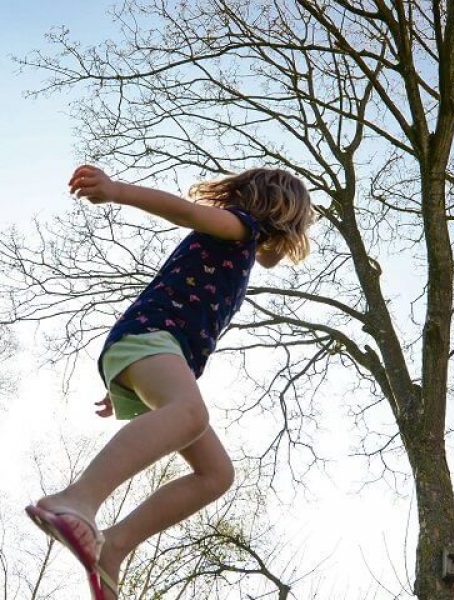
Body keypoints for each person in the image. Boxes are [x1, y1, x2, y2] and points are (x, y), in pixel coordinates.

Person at [24, 164, 316, 599]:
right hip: (151, 338)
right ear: (279, 213)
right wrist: (116, 190)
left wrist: (127, 379)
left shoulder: (243, 246)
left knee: (216, 474)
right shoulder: (238, 227)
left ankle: (113, 548)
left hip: (153, 350)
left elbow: (272, 259)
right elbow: (184, 211)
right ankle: (76, 499)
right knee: (191, 413)